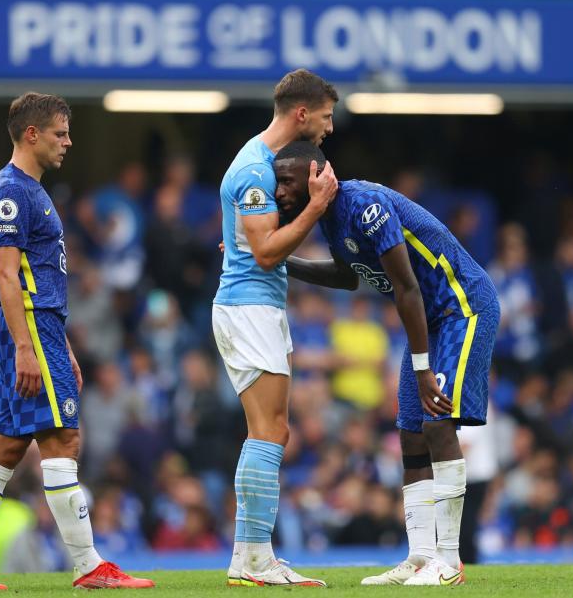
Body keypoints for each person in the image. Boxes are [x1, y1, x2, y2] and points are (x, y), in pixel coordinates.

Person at [0, 93, 153, 590]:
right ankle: (89, 565)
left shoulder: (32, 189)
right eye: (60, 133)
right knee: (63, 440)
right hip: (27, 330)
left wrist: (63, 346)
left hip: (40, 328)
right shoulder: (10, 191)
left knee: (5, 451)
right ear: (32, 134)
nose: (68, 143)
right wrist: (29, 347)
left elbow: (38, 278)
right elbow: (7, 277)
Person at [274, 141, 500, 586]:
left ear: (318, 175)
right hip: (433, 319)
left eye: (287, 181)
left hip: (463, 306)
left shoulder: (365, 206)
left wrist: (419, 368)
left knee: (437, 423)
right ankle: (419, 557)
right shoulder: (330, 217)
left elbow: (408, 288)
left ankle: (449, 562)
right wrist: (281, 261)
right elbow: (346, 277)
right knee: (411, 435)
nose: (280, 191)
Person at [212, 70, 338, 587]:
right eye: (327, 117)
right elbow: (264, 253)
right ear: (302, 114)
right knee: (269, 432)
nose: (329, 129)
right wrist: (316, 206)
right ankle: (256, 559)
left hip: (256, 307)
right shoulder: (253, 170)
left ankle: (250, 557)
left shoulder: (262, 164)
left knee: (270, 431)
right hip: (249, 307)